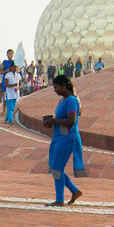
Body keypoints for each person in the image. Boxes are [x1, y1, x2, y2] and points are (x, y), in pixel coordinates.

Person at [42, 74, 82, 206]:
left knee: (56, 168)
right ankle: (74, 190)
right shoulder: (62, 101)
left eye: (57, 87)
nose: (55, 90)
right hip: (59, 137)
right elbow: (63, 119)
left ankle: (60, 199)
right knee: (55, 167)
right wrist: (51, 122)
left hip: (67, 138)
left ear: (64, 86)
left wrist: (54, 121)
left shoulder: (71, 100)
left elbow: (71, 121)